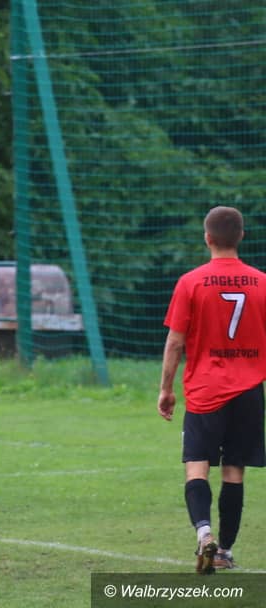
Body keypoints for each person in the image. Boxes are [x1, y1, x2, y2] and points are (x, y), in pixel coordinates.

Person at [158, 205, 266, 574]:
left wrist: (166, 389)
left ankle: (204, 533)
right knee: (234, 471)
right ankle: (226, 551)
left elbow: (175, 342)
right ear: (241, 237)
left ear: (207, 238)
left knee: (197, 466)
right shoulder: (262, 283)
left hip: (205, 390)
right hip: (249, 392)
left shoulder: (191, 282)